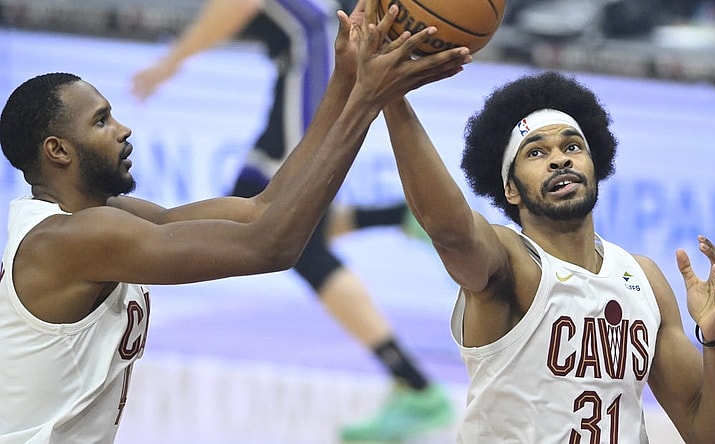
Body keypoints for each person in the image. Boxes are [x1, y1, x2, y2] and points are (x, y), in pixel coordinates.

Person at [0, 2, 472, 441]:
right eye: (101, 122)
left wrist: (346, 81)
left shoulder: (103, 216)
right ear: (58, 150)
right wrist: (368, 102)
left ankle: (391, 221)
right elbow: (269, 247)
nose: (123, 130)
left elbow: (260, 210)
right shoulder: (69, 239)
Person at [130, 0, 453, 441]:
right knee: (266, 214)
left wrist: (170, 63)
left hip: (313, 54)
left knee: (286, 234)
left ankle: (415, 387)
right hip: (301, 62)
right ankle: (396, 216)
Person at [380, 70, 715, 442]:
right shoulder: (511, 260)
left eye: (572, 147)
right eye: (536, 152)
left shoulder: (643, 278)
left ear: (594, 165)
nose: (560, 160)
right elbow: (451, 231)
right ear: (511, 189)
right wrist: (393, 100)